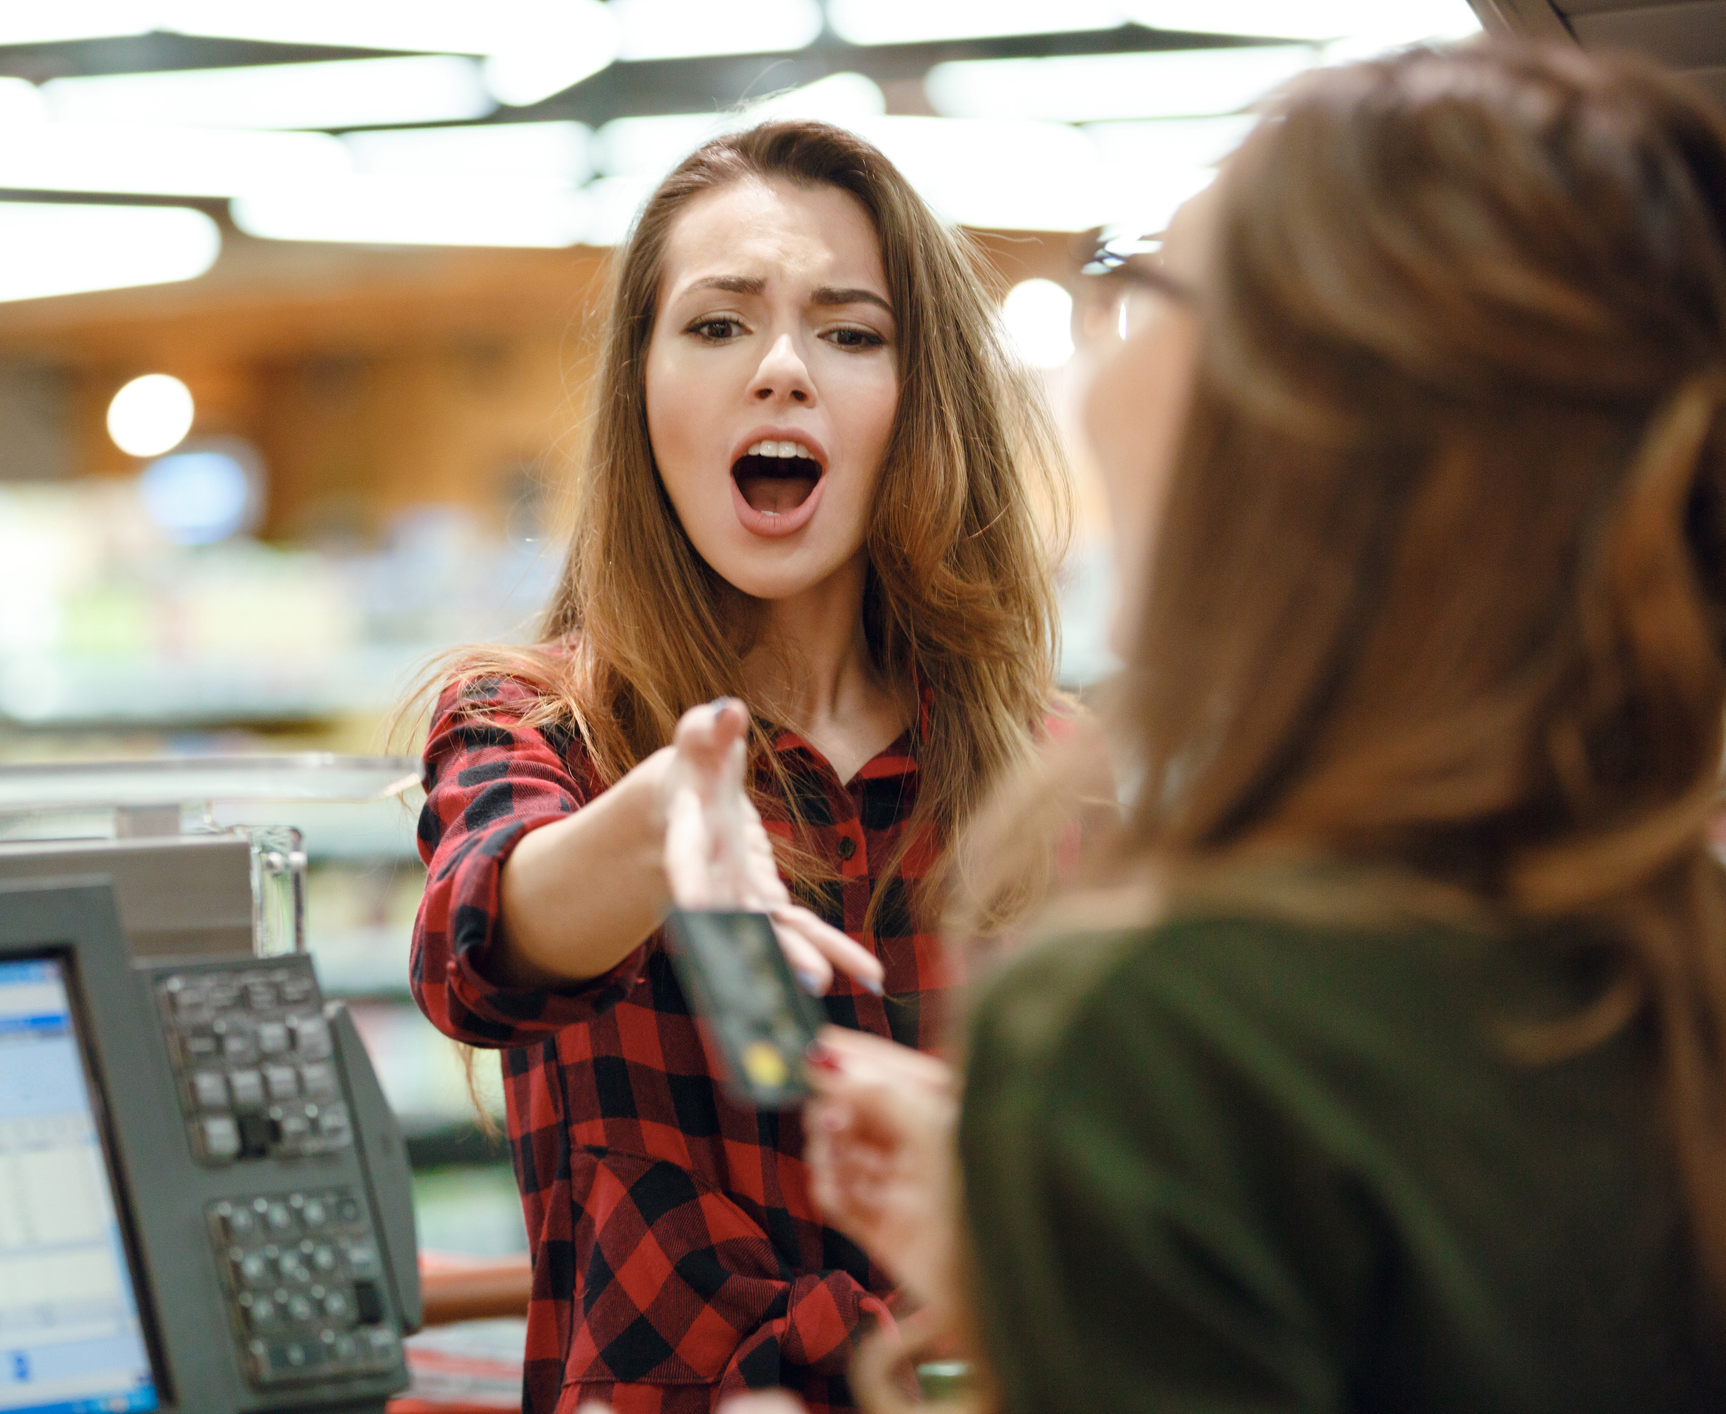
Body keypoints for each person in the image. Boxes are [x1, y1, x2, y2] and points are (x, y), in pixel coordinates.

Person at [805, 41, 1726, 1413]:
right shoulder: (1664, 949)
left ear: (1286, 429)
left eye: (1144, 277)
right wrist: (1065, 1232)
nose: (1092, 365)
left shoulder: (1148, 1031)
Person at [408, 120, 1065, 1414]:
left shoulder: (1042, 772)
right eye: (715, 327)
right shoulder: (533, 724)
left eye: (849, 330)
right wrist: (656, 822)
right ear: (641, 390)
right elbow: (472, 947)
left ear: (914, 395)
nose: (779, 369)